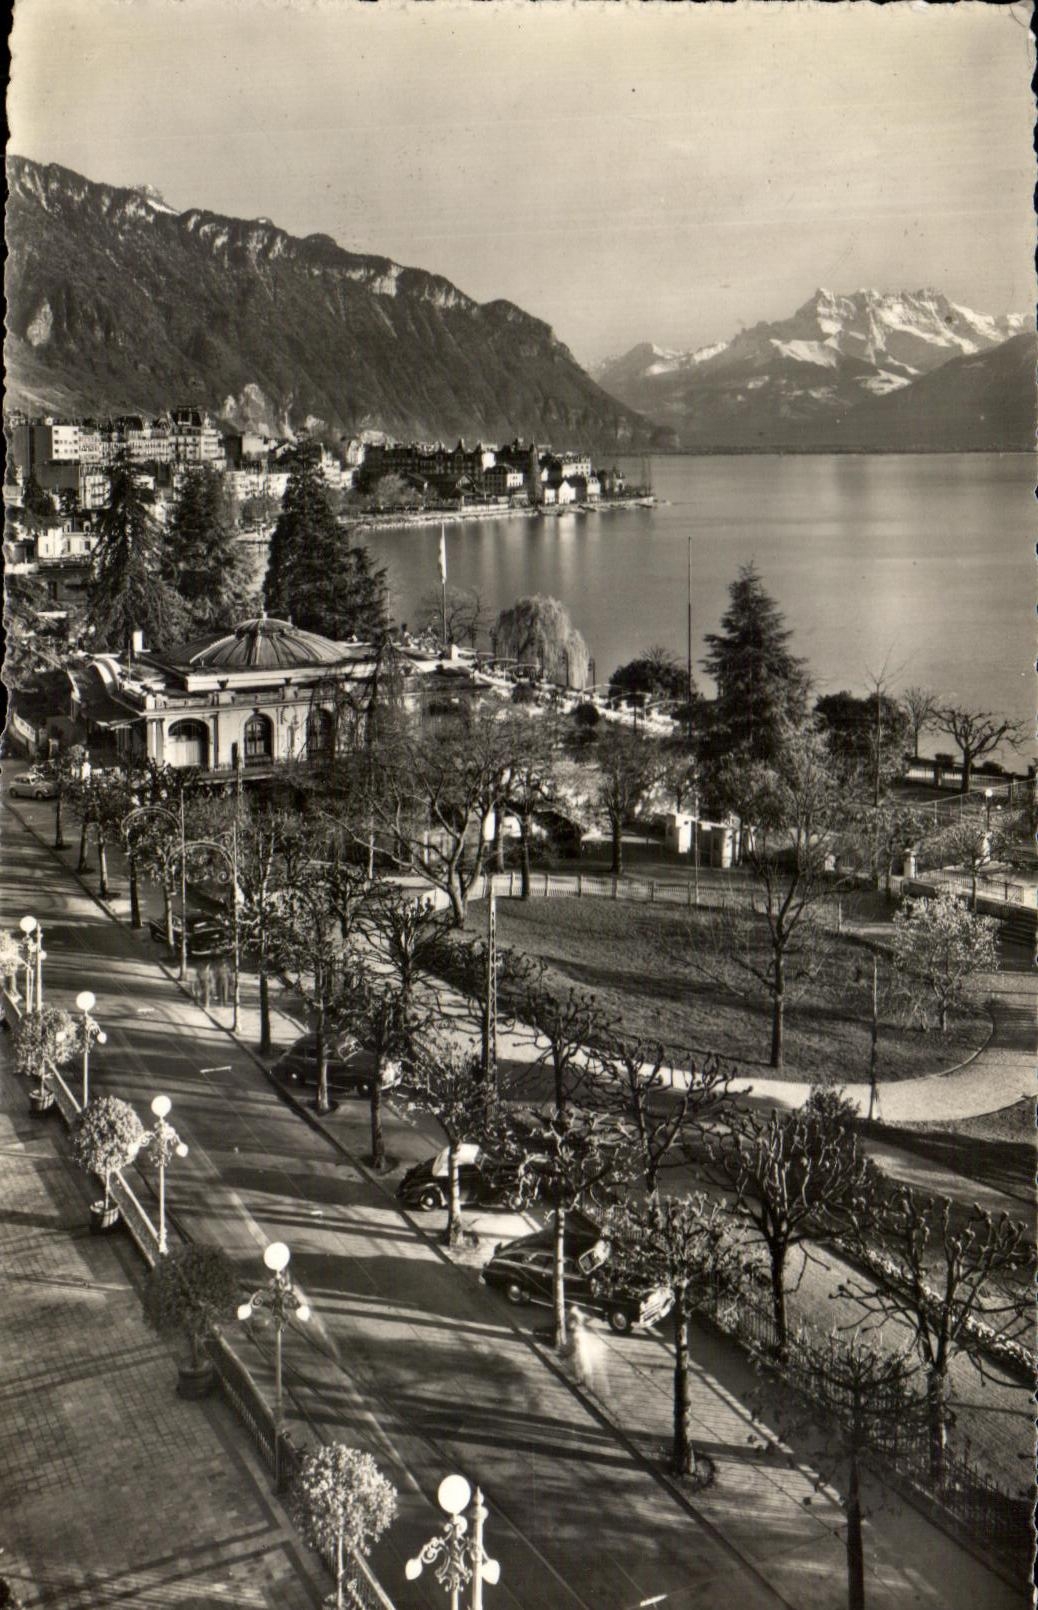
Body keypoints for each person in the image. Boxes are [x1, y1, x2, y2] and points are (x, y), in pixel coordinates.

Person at [567, 1307, 607, 1396]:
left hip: (582, 1351)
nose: (569, 1325)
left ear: (575, 1322)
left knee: (585, 1367)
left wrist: (576, 1350)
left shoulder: (578, 1332)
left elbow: (579, 1343)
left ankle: (589, 1387)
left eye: (571, 1323)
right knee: (579, 1366)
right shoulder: (577, 1329)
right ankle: (581, 1381)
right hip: (579, 1351)